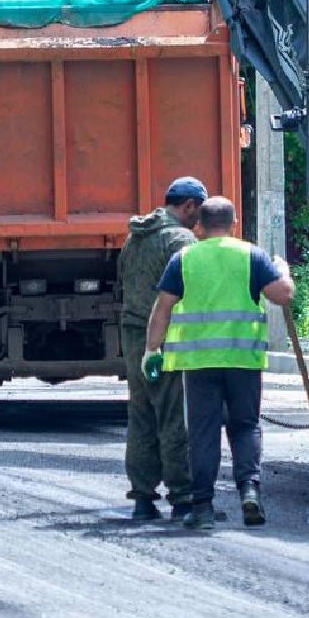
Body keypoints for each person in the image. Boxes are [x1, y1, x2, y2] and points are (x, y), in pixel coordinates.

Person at [143, 196, 295, 530]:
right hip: (242, 360)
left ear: (198, 225)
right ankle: (249, 491)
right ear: (234, 223)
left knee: (202, 433)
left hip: (198, 364)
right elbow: (282, 294)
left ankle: (202, 509)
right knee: (245, 426)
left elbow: (162, 308)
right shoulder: (251, 255)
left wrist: (151, 351)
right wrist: (282, 269)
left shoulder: (184, 258)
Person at [117, 176, 205, 522]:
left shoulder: (134, 237)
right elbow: (192, 290)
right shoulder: (181, 240)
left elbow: (124, 277)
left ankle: (142, 497)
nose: (198, 221)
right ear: (188, 206)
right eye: (197, 212)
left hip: (133, 334)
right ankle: (181, 496)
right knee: (172, 415)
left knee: (141, 413)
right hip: (164, 335)